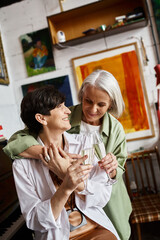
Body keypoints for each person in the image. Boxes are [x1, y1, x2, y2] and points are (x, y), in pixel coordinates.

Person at [3, 70, 132, 240]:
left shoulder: (108, 133)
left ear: (110, 104)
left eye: (101, 105)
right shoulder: (63, 119)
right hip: (59, 229)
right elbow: (16, 141)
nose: (93, 109)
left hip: (102, 210)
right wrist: (51, 156)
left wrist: (111, 169)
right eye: (88, 101)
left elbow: (106, 187)